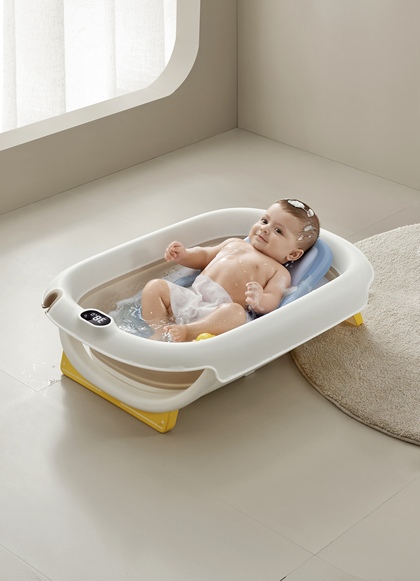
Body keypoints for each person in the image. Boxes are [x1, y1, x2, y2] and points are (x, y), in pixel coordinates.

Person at [141, 198, 320, 342]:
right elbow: (204, 256)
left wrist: (259, 300)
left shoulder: (279, 272)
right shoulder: (234, 243)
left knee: (236, 313)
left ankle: (188, 332)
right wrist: (184, 255)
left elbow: (273, 299)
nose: (265, 229)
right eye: (265, 221)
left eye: (278, 231)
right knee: (154, 287)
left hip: (218, 313)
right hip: (191, 298)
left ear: (293, 254)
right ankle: (160, 330)